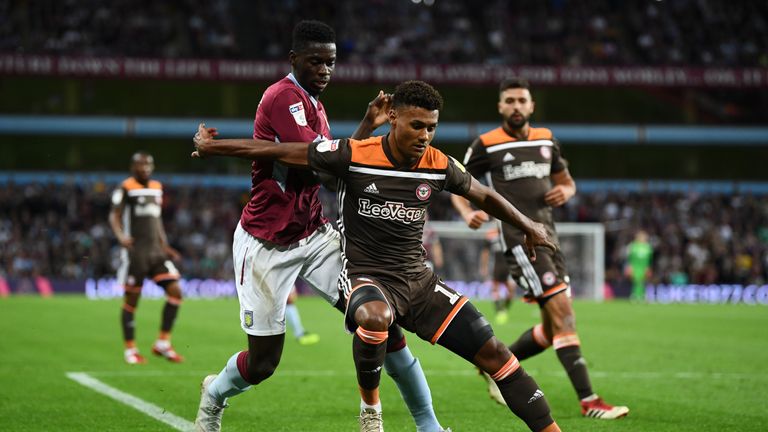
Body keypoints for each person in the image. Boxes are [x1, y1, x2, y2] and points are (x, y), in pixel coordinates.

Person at [194, 80, 562, 432]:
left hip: (416, 280)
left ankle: (431, 426)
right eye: (417, 125)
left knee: (490, 350)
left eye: (431, 127)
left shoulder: (437, 163)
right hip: (346, 268)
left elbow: (483, 194)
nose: (424, 135)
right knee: (282, 356)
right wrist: (216, 147)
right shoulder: (354, 154)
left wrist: (529, 224)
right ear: (395, 118)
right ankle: (368, 412)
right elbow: (279, 151)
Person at [193, 21, 445, 432]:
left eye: (331, 62)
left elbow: (333, 169)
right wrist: (214, 148)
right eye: (316, 62)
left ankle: (429, 425)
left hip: (314, 233)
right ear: (294, 60)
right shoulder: (282, 97)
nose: (326, 70)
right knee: (263, 363)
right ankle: (215, 394)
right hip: (266, 243)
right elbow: (317, 163)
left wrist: (365, 127)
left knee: (381, 322)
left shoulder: (314, 103)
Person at [451, 77, 629, 419]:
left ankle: (493, 366)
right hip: (521, 240)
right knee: (565, 316)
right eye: (510, 100)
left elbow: (566, 180)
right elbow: (458, 182)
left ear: (531, 106)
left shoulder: (547, 140)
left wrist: (568, 192)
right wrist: (468, 212)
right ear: (500, 106)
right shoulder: (486, 144)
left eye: (522, 100)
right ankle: (590, 401)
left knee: (550, 330)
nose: (516, 106)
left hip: (549, 236)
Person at [108, 152, 184, 364]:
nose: (145, 168)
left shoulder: (157, 187)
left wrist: (165, 244)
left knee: (176, 292)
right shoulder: (125, 187)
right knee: (132, 301)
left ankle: (163, 343)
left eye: (148, 165)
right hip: (136, 253)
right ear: (133, 167)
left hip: (156, 252)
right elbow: (114, 215)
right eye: (141, 165)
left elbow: (157, 219)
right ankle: (130, 349)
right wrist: (121, 236)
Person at [480, 226, 515, 324]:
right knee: (495, 289)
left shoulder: (510, 232)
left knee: (511, 291)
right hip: (495, 265)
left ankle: (505, 309)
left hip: (509, 266)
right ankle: (499, 310)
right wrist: (484, 266)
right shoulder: (490, 233)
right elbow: (485, 252)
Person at [626, 230, 653, 300]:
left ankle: (641, 295)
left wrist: (648, 267)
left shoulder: (648, 247)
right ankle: (636, 295)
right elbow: (630, 258)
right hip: (635, 267)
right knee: (636, 281)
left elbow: (649, 260)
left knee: (642, 281)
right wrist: (630, 267)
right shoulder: (633, 246)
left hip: (643, 267)